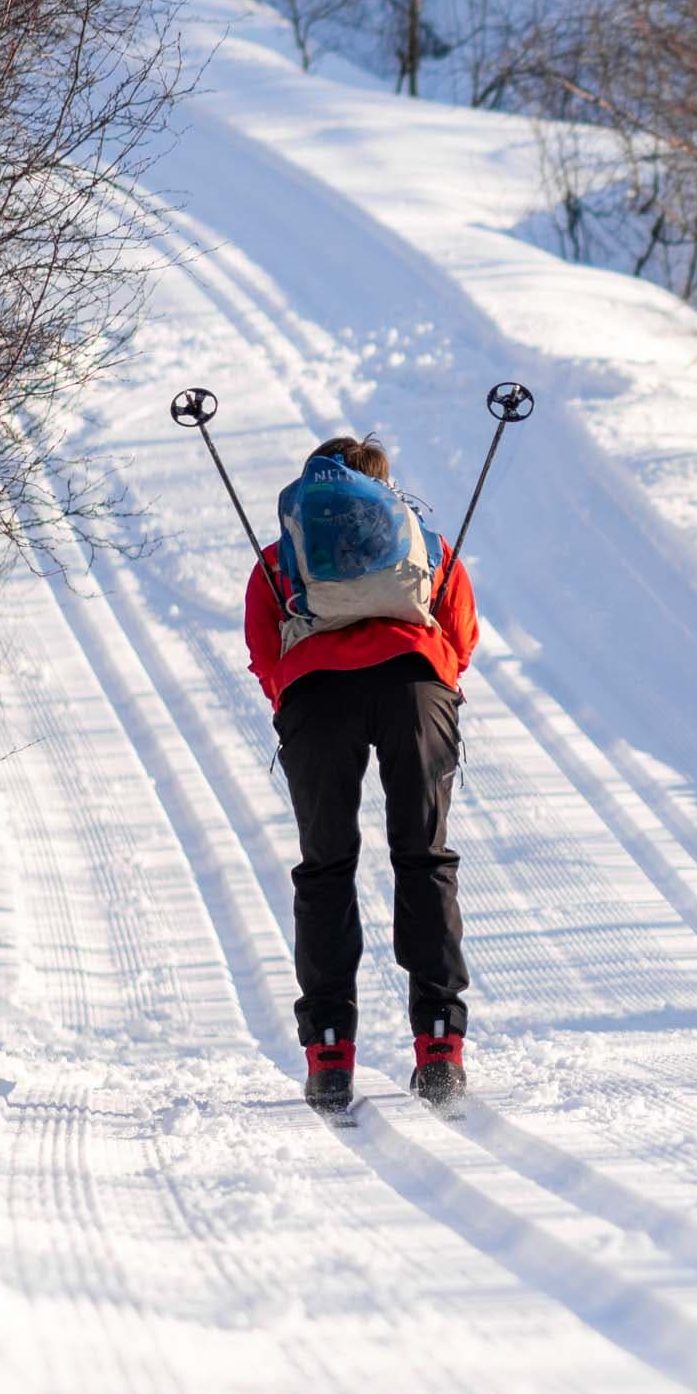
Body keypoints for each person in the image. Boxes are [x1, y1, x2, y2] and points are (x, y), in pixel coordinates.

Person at [244, 434, 480, 1112]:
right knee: (423, 855)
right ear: (384, 488)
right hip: (415, 686)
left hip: (317, 696)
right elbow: (461, 636)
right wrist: (429, 676)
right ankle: (439, 1045)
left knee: (326, 865)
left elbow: (265, 647)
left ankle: (328, 1053)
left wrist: (297, 689)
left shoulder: (283, 556)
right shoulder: (426, 545)